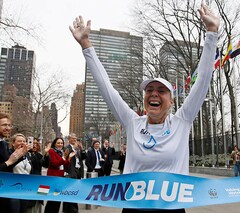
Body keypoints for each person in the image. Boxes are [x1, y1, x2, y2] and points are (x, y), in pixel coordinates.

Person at [70, 3, 219, 212]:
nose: (154, 94)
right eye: (149, 90)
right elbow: (107, 88)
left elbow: (203, 79)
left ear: (172, 101)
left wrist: (211, 33)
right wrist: (86, 44)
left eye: (161, 90)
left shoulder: (181, 122)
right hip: (134, 207)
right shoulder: (132, 122)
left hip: (172, 208)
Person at [0, 113, 28, 212]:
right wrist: (9, 162)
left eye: (9, 125)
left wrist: (19, 156)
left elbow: (8, 166)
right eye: (4, 125)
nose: (7, 128)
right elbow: (7, 163)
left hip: (7, 189)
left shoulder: (3, 143)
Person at [44, 137, 75, 213]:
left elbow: (64, 165)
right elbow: (54, 164)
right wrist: (63, 157)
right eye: (58, 143)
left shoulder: (61, 152)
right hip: (53, 177)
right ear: (54, 144)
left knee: (58, 199)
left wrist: (69, 158)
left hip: (61, 177)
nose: (60, 144)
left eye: (61, 143)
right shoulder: (52, 151)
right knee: (52, 199)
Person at [9, 133, 33, 213]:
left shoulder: (27, 156)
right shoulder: (9, 154)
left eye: (24, 141)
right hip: (12, 189)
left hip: (25, 189)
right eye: (19, 141)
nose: (22, 143)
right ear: (13, 143)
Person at [63, 133, 86, 213]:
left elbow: (83, 158)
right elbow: (64, 159)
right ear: (69, 139)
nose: (74, 140)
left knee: (75, 191)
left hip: (77, 172)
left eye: (75, 138)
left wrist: (82, 149)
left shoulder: (77, 149)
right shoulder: (67, 148)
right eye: (72, 138)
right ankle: (70, 209)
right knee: (69, 191)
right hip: (70, 172)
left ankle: (72, 208)